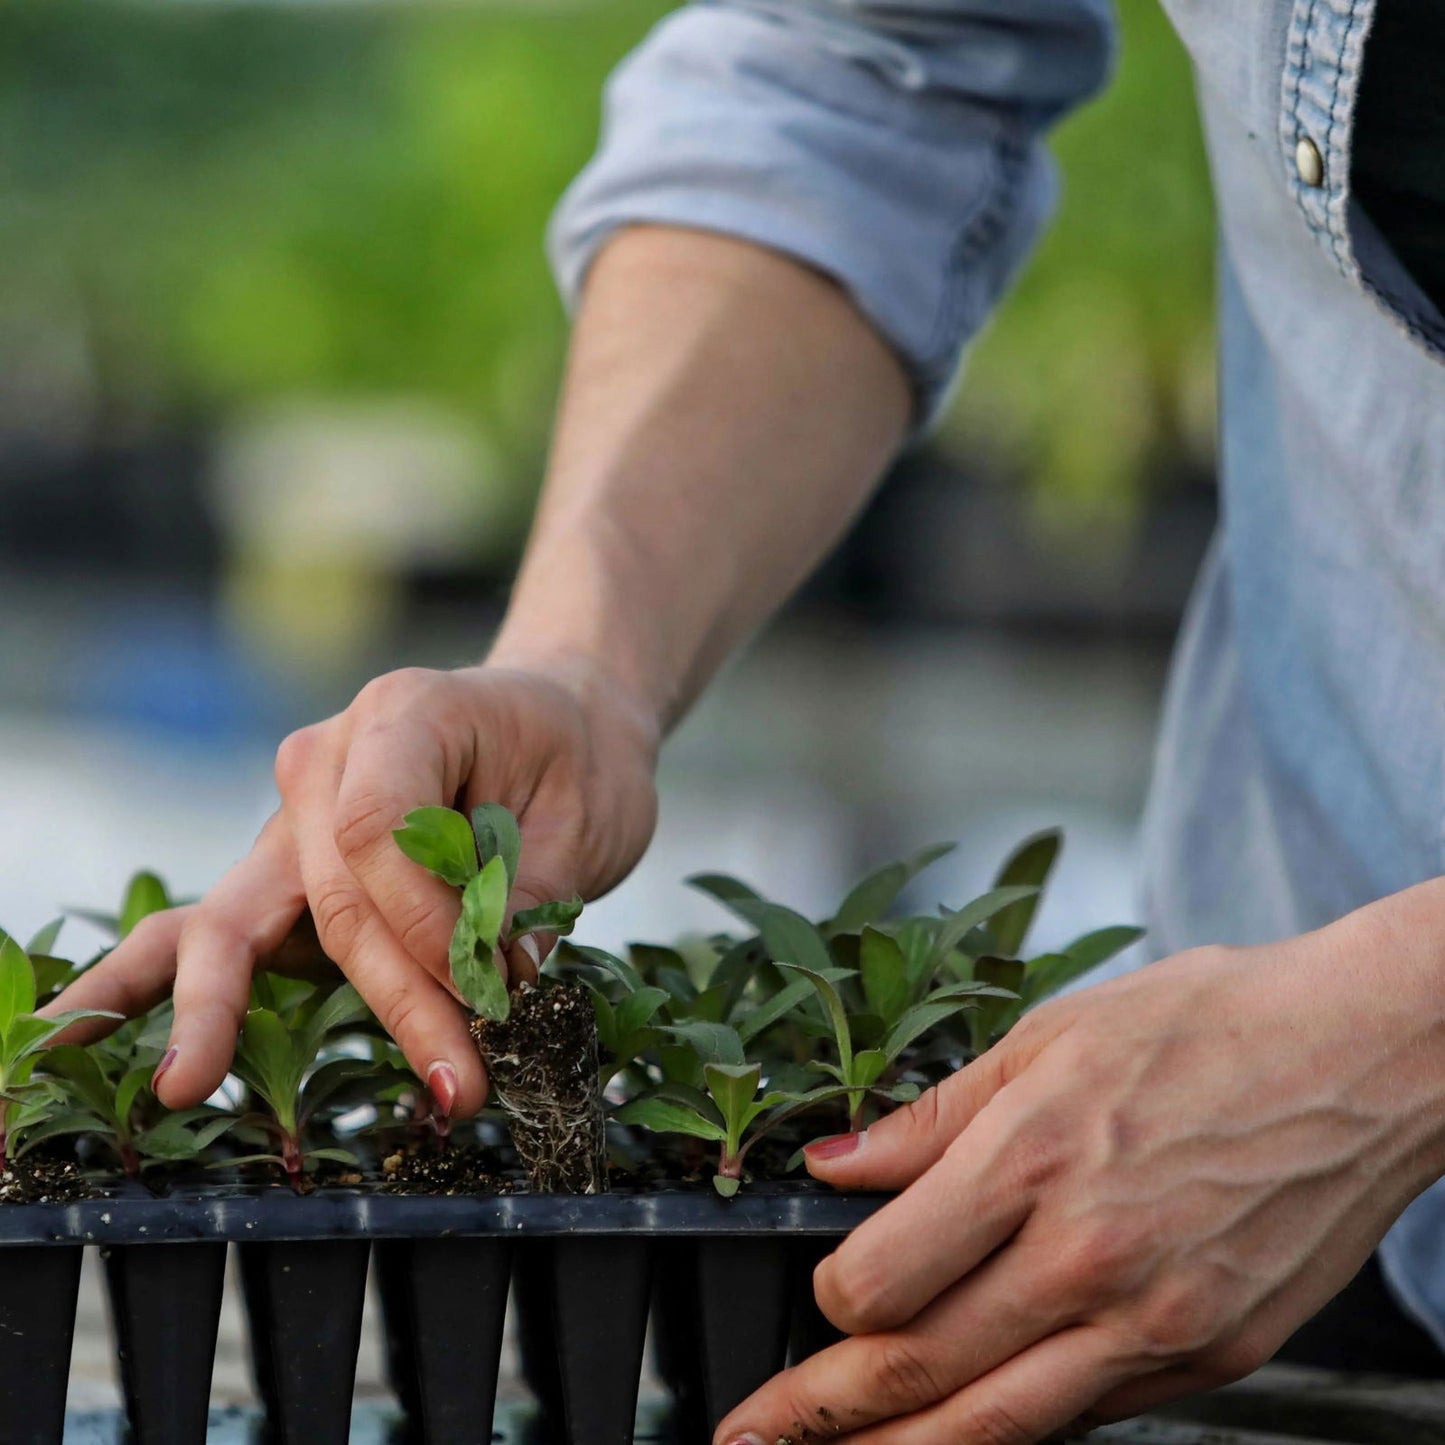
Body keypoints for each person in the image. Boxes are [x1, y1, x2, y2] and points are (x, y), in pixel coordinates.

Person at [51, 0, 1445, 1438]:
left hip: (1277, 1135)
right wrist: (581, 666)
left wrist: (1400, 1034)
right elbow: (861, 66)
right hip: (1218, 1197)